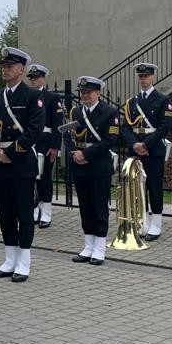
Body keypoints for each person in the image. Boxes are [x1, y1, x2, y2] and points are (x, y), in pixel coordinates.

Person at [0, 49, 45, 282]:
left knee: (24, 213)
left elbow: (34, 130)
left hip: (21, 162)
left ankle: (23, 262)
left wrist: (10, 153)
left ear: (21, 69)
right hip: (0, 161)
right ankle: (9, 259)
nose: (5, 69)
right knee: (5, 213)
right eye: (3, 66)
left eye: (10, 66)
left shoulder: (32, 96)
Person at [64, 76, 120, 265]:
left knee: (99, 208)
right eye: (82, 93)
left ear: (97, 93)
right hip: (79, 165)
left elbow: (109, 140)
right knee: (85, 207)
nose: (85, 96)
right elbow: (67, 135)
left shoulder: (110, 112)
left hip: (98, 166)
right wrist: (74, 153)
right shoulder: (75, 112)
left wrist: (86, 154)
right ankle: (88, 246)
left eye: (88, 92)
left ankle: (99, 248)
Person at [120, 63, 172, 241]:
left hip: (153, 149)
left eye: (146, 76)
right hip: (135, 149)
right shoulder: (132, 102)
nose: (143, 79)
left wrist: (146, 144)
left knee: (154, 187)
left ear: (152, 77)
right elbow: (125, 126)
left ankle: (156, 224)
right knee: (137, 187)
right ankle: (141, 222)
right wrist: (135, 144)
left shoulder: (163, 100)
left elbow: (165, 126)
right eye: (141, 76)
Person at [26, 64, 63, 229]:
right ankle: (35, 209)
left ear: (43, 79)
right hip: (30, 142)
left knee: (44, 178)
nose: (33, 80)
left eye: (36, 78)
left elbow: (57, 124)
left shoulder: (52, 98)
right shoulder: (27, 96)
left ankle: (46, 212)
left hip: (45, 143)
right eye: (31, 78)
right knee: (31, 177)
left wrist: (55, 146)